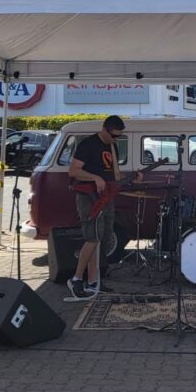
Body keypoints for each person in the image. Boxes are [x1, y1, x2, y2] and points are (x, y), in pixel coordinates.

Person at [66, 115, 133, 299]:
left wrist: (133, 176)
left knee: (101, 238)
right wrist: (95, 177)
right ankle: (77, 279)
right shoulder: (88, 144)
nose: (115, 139)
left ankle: (94, 280)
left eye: (118, 136)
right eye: (113, 135)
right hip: (89, 197)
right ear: (104, 129)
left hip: (106, 197)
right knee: (92, 237)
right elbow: (73, 171)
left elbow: (114, 175)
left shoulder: (113, 147)